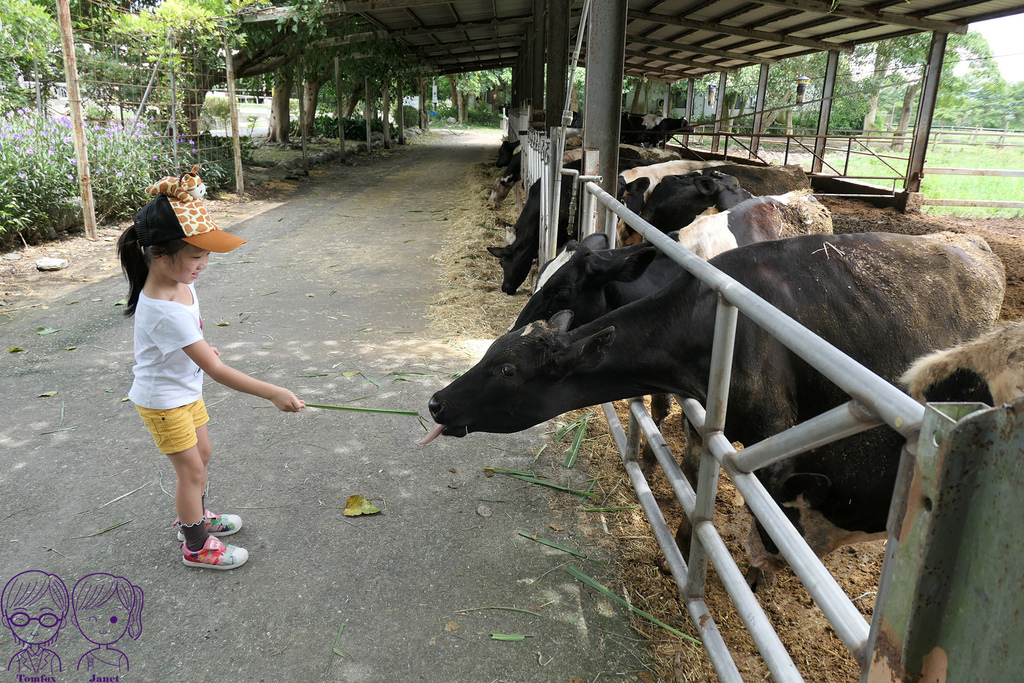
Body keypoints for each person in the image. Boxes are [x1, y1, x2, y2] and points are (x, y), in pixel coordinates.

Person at [116, 167, 304, 570]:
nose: (204, 265)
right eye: (197, 256)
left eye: (207, 257)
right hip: (164, 401)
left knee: (203, 454)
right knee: (192, 471)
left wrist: (196, 351)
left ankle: (194, 519)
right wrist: (272, 392)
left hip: (184, 389)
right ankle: (196, 545)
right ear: (160, 254)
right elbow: (217, 371)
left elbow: (185, 344)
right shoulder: (166, 308)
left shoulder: (180, 285)